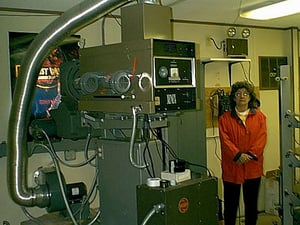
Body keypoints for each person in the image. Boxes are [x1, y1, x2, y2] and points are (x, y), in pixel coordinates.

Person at [218, 81, 267, 225]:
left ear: (250, 97)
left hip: (253, 167)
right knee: (230, 207)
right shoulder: (225, 118)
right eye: (238, 94)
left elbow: (261, 138)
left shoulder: (260, 117)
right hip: (232, 167)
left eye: (245, 93)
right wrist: (238, 155)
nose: (242, 97)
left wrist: (250, 155)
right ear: (233, 97)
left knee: (251, 206)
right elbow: (224, 140)